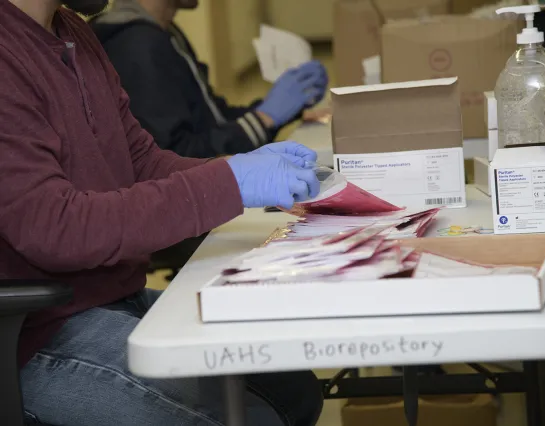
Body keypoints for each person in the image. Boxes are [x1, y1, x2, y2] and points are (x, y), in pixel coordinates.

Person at [0, 0, 324, 424]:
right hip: (34, 335)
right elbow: (55, 228)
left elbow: (143, 164)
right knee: (249, 418)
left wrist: (235, 168)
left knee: (294, 389)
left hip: (111, 297)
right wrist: (230, 182)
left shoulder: (74, 32)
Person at [90, 0, 329, 158]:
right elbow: (177, 157)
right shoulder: (137, 44)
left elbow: (211, 117)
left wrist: (283, 110)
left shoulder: (163, 32)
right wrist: (264, 118)